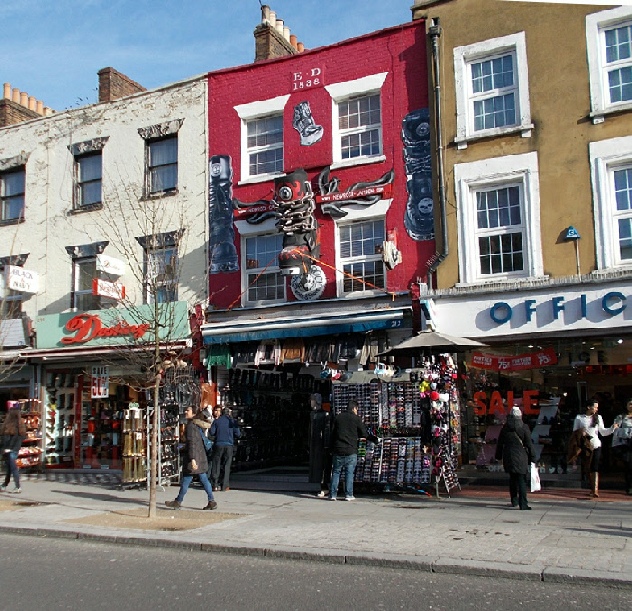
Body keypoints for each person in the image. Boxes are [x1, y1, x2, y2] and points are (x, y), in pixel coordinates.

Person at [166, 407, 217, 510]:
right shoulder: (198, 425)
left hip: (193, 458)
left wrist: (193, 459)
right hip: (200, 456)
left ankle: (178, 501)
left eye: (188, 411)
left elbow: (192, 443)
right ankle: (211, 501)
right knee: (201, 479)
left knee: (187, 479)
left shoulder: (191, 426)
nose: (185, 412)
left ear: (193, 414)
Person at [329, 399, 377, 501]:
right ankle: (348, 494)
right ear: (354, 408)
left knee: (336, 472)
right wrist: (374, 439)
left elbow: (332, 434)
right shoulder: (356, 419)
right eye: (357, 409)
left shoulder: (338, 418)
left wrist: (331, 448)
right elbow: (364, 434)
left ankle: (333, 494)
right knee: (349, 473)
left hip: (338, 449)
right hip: (351, 450)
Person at [572, 398, 618, 498]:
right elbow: (574, 432)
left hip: (596, 444)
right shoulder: (579, 418)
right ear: (589, 407)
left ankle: (595, 490)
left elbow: (602, 431)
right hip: (585, 446)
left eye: (597, 407)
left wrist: (612, 428)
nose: (596, 409)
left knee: (595, 466)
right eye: (595, 407)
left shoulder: (598, 418)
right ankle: (591, 487)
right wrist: (581, 432)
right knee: (587, 467)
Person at [495, 406, 536, 510]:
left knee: (512, 479)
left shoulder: (505, 428)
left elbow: (500, 444)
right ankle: (523, 504)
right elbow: (529, 444)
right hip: (522, 457)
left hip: (509, 456)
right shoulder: (524, 427)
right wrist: (533, 458)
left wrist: (498, 456)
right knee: (522, 480)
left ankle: (514, 500)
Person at [210, 406, 241, 492]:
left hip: (218, 444)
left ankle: (215, 485)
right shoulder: (232, 422)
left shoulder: (217, 421)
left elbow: (212, 432)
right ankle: (225, 485)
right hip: (229, 445)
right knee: (227, 465)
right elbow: (238, 434)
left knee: (216, 463)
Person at [308, 393, 332, 497]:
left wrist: (326, 444)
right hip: (315, 444)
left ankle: (325, 487)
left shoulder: (324, 414)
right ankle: (322, 486)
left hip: (321, 445)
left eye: (313, 400)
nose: (311, 402)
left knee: (323, 467)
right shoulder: (313, 414)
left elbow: (326, 430)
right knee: (318, 467)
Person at [0, 402, 27, 494]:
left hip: (10, 449)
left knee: (13, 467)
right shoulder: (20, 425)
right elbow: (22, 437)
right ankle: (5, 484)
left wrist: (6, 448)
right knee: (10, 467)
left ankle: (17, 486)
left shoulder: (8, 425)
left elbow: (4, 437)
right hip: (15, 449)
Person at [612, 398, 632, 495]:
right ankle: (629, 486)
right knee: (629, 466)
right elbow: (616, 430)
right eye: (630, 404)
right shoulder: (621, 417)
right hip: (626, 444)